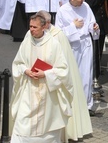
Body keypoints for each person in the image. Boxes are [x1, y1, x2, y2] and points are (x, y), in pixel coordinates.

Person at [10, 14, 72, 142]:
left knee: (47, 126)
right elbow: (18, 63)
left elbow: (63, 70)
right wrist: (26, 70)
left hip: (47, 92)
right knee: (22, 121)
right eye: (30, 26)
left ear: (44, 27)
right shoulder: (27, 41)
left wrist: (46, 74)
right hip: (28, 90)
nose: (31, 29)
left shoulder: (53, 44)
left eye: (35, 27)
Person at [35, 10, 93, 141]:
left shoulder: (57, 35)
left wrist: (50, 72)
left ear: (48, 23)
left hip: (54, 77)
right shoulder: (35, 33)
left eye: (41, 23)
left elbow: (63, 59)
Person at [55, 0, 100, 115]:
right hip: (71, 45)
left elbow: (92, 22)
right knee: (72, 75)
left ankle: (86, 105)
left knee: (86, 74)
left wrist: (94, 27)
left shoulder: (85, 6)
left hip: (85, 43)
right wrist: (73, 27)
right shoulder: (63, 11)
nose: (83, 1)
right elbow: (58, 33)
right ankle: (71, 103)